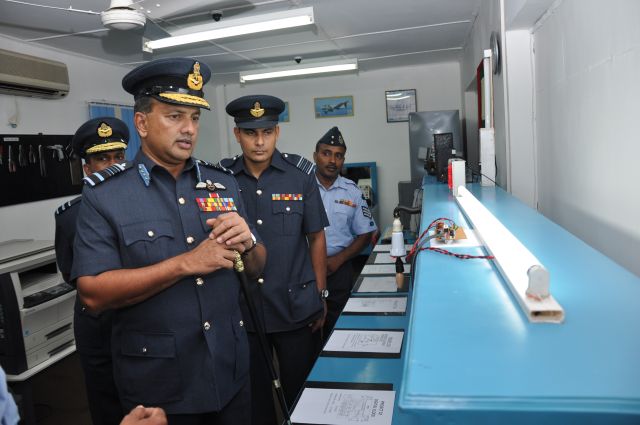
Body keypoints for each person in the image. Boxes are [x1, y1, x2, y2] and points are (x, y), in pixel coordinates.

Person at [71, 58, 266, 425]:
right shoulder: (106, 195)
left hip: (230, 371)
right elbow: (93, 293)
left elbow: (256, 268)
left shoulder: (221, 184)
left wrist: (250, 244)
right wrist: (184, 263)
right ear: (142, 123)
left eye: (194, 118)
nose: (189, 129)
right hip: (159, 388)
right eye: (175, 116)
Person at [220, 95, 329, 425]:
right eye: (250, 133)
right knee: (254, 403)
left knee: (303, 397)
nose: (259, 141)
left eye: (267, 132)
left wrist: (320, 294)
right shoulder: (222, 179)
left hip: (295, 307)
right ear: (237, 134)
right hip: (245, 312)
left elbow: (316, 237)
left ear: (277, 133)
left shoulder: (300, 175)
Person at [54, 117, 128, 425]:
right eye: (102, 159)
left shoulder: (147, 206)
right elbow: (70, 271)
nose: (113, 165)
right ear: (87, 168)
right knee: (106, 401)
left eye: (118, 157)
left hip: (143, 316)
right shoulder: (71, 217)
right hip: (98, 322)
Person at [313, 127, 377, 340]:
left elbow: (365, 234)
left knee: (338, 329)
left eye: (338, 155)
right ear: (315, 156)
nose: (332, 160)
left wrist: (338, 260)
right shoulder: (301, 188)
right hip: (305, 270)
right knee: (307, 329)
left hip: (339, 270)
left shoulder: (352, 191)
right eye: (326, 153)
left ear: (343, 160)